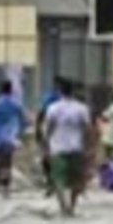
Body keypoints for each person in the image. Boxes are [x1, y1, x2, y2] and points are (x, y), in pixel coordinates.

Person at [42, 80, 93, 216]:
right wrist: (89, 146)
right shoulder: (82, 108)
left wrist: (46, 144)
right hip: (76, 147)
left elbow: (48, 128)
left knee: (58, 178)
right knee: (76, 178)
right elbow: (87, 129)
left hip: (57, 148)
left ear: (60, 92)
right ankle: (72, 205)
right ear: (73, 92)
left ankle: (63, 206)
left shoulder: (53, 108)